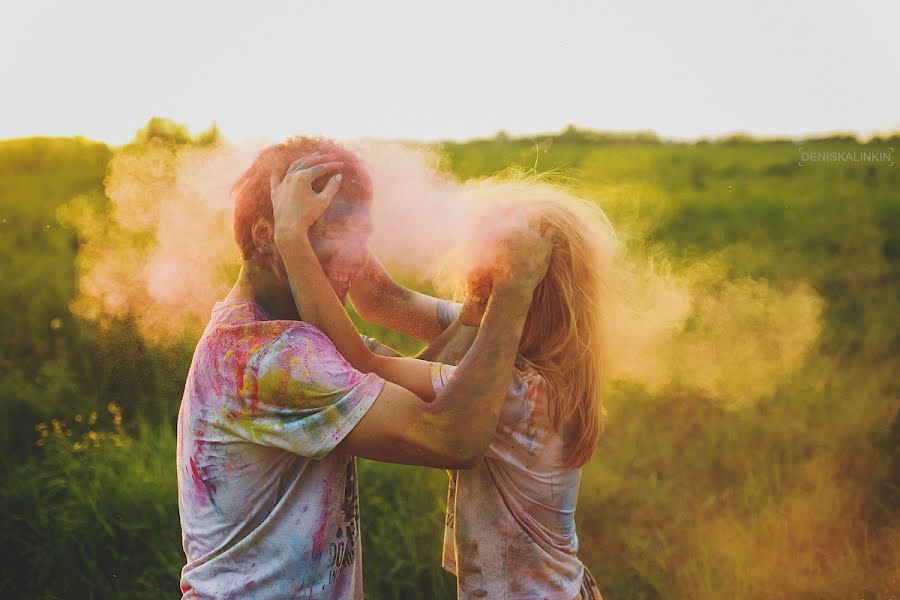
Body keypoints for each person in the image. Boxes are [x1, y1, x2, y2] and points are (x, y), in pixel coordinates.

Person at [175, 137, 552, 599]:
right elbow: (452, 436)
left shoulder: (299, 341)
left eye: (363, 237)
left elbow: (417, 389)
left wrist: (475, 314)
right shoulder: (270, 357)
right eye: (337, 233)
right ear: (266, 235)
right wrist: (513, 299)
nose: (357, 257)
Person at [274, 171, 611, 599]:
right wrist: (344, 223)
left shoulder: (517, 394)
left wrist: (291, 238)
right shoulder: (520, 345)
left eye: (495, 260)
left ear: (528, 287)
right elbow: (382, 300)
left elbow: (359, 365)